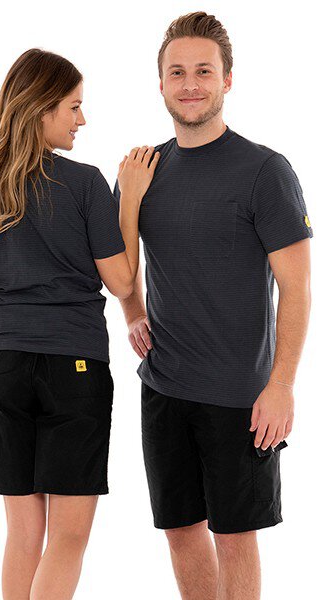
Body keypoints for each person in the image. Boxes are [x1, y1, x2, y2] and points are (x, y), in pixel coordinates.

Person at [0, 48, 158, 600]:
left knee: (22, 535)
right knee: (68, 537)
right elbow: (122, 283)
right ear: (40, 107)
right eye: (73, 107)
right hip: (74, 368)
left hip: (2, 369)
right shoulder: (83, 184)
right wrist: (129, 199)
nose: (82, 119)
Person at [114, 12, 313, 600]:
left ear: (227, 79)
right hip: (164, 386)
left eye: (204, 71)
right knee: (179, 531)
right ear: (160, 83)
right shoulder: (142, 170)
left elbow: (298, 288)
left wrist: (282, 385)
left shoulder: (265, 171)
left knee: (234, 536)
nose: (190, 84)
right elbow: (120, 265)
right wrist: (133, 313)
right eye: (177, 72)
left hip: (239, 394)